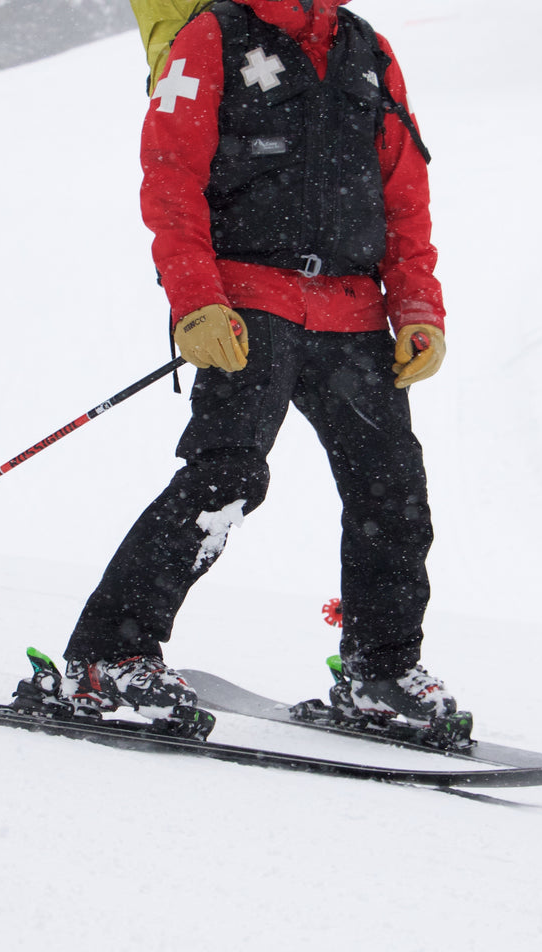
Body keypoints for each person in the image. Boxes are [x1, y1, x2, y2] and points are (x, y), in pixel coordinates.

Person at [61, 0, 455, 735]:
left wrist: (419, 309)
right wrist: (195, 302)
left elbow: (405, 195)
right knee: (226, 477)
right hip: (247, 301)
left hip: (352, 310)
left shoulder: (369, 50)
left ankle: (382, 671)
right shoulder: (216, 34)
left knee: (393, 488)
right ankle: (108, 657)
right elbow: (170, 173)